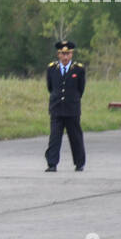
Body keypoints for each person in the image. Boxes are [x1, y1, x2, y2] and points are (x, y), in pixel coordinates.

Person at [45, 39, 86, 172]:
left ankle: (79, 163)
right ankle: (52, 164)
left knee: (75, 137)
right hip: (57, 108)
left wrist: (72, 99)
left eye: (68, 54)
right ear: (58, 55)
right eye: (63, 54)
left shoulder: (78, 70)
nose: (65, 57)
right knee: (54, 138)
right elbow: (50, 87)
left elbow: (81, 89)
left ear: (71, 54)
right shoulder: (52, 69)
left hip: (72, 109)